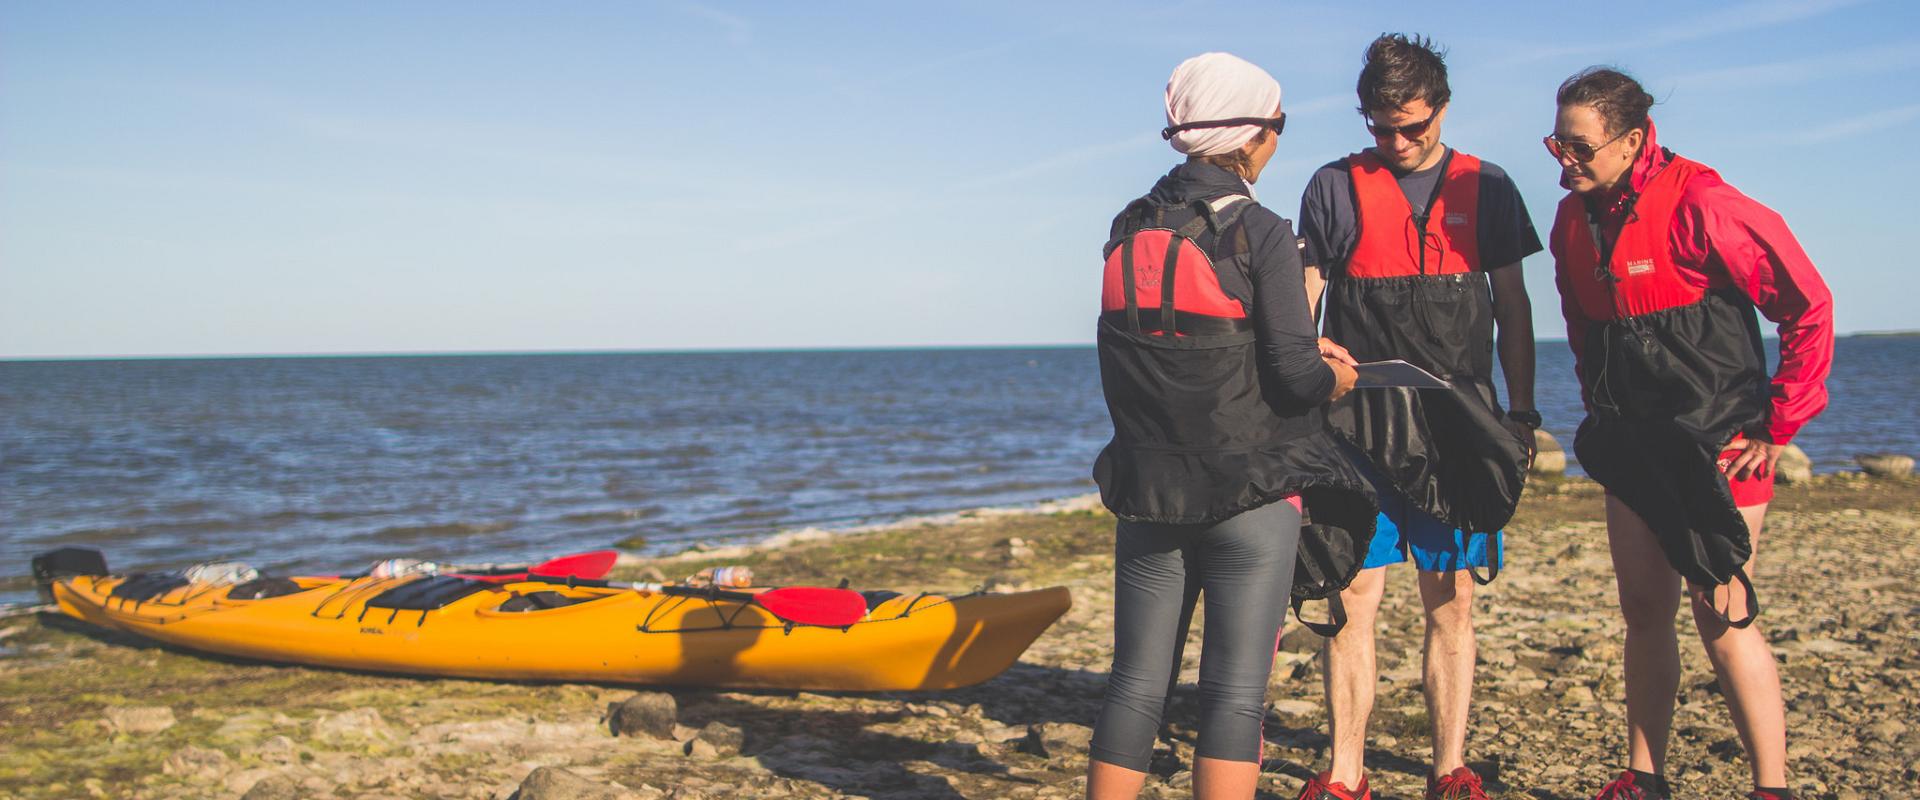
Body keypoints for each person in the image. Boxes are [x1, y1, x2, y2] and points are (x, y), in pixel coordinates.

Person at [1087, 52, 1377, 800]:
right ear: (1249, 137)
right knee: (1234, 697)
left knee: (1133, 687)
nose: (1276, 141)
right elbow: (1295, 377)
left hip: (1148, 491)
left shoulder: (1128, 225)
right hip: (1252, 493)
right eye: (1276, 126)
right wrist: (1337, 375)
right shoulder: (1262, 232)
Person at [1545, 67, 1833, 800]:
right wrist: (1600, 416)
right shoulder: (1573, 222)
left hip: (1722, 443)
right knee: (1643, 609)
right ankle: (1646, 777)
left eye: (1579, 147)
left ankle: (1772, 787)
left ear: (1632, 138)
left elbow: (1808, 305)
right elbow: (1584, 330)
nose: (1565, 162)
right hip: (1635, 443)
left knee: (1721, 613)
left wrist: (1779, 421)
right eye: (1557, 146)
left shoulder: (1704, 202)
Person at [1292, 34, 1540, 800]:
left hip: (1459, 430)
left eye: (1413, 128)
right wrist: (1299, 390)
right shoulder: (1333, 186)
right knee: (1350, 601)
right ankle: (1345, 776)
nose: (1396, 142)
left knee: (1452, 602)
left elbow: (1515, 309)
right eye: (1379, 127)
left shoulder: (1489, 186)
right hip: (1357, 432)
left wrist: (1522, 414)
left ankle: (1448, 769)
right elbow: (1303, 307)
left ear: (1442, 109)